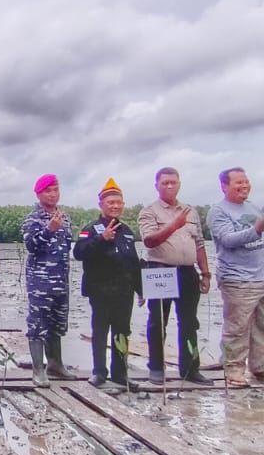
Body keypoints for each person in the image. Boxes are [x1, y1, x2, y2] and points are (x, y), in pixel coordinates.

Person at [206, 167, 264, 389]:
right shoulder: (218, 212)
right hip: (238, 280)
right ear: (225, 186)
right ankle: (234, 370)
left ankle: (261, 368)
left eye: (246, 181)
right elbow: (227, 240)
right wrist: (255, 229)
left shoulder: (253, 207)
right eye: (238, 183)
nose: (244, 186)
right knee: (237, 328)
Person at [138, 167, 213, 386]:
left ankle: (190, 369)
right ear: (157, 186)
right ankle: (156, 368)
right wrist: (173, 226)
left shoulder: (190, 211)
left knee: (190, 322)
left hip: (188, 271)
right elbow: (149, 241)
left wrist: (206, 273)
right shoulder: (148, 211)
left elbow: (199, 244)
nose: (169, 186)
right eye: (165, 183)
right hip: (159, 269)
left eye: (173, 182)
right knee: (157, 322)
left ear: (179, 184)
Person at [73, 178, 142, 390]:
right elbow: (79, 253)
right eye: (110, 202)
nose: (114, 206)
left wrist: (141, 290)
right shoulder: (90, 229)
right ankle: (99, 373)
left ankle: (120, 374)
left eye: (118, 202)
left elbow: (133, 261)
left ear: (123, 205)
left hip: (124, 291)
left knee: (122, 332)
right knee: (101, 331)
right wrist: (102, 239)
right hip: (100, 290)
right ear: (101, 205)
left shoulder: (128, 231)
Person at [21, 174, 75, 388]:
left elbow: (68, 245)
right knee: (38, 323)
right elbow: (31, 247)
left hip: (61, 279)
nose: (53, 194)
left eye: (56, 189)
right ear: (39, 194)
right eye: (48, 191)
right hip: (40, 281)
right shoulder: (32, 218)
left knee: (57, 321)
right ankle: (38, 369)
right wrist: (48, 230)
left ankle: (56, 364)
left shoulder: (66, 217)